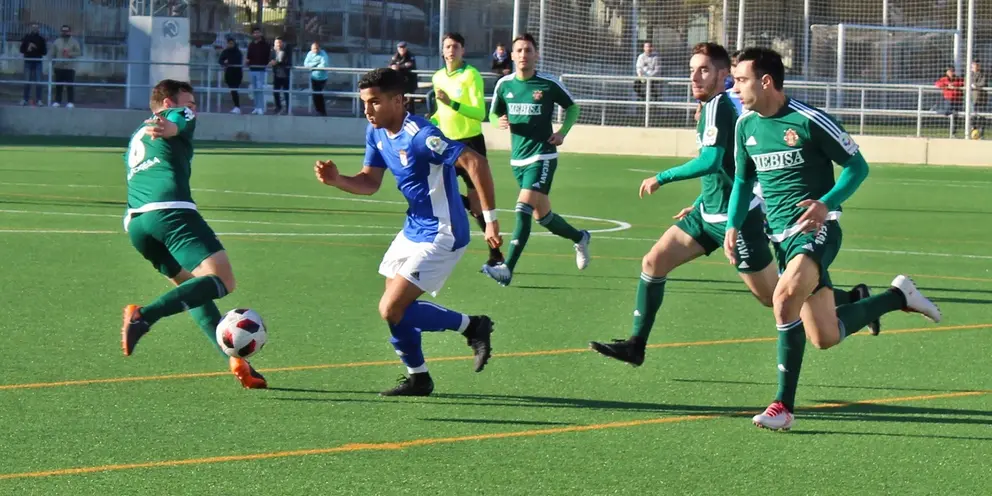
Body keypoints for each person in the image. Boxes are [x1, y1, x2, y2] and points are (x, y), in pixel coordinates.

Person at [589, 42, 873, 366]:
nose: (695, 77)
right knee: (654, 262)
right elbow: (729, 168)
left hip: (735, 218)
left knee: (774, 297)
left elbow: (712, 161)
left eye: (704, 70)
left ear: (724, 74)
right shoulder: (718, 108)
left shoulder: (721, 107)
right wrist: (699, 201)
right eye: (691, 70)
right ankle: (636, 344)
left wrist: (662, 177)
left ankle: (850, 299)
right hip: (705, 214)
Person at [727, 47, 942, 431]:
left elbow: (857, 167)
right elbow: (743, 181)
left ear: (765, 81)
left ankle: (783, 406)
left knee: (784, 298)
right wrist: (732, 224)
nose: (735, 86)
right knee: (825, 336)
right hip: (780, 238)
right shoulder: (745, 126)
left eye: (741, 79)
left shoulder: (810, 120)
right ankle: (898, 296)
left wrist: (826, 204)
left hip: (816, 231)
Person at [314, 68, 501, 397]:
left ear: (398, 101)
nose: (367, 110)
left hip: (444, 230)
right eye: (364, 103)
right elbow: (370, 182)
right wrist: (338, 180)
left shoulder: (420, 134)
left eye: (374, 102)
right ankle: (419, 377)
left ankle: (472, 326)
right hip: (413, 228)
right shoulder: (376, 134)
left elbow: (475, 163)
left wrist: (490, 220)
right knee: (396, 313)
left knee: (391, 308)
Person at [120, 79, 267, 390]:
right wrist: (176, 124)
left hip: (136, 225)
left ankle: (236, 360)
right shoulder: (176, 117)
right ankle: (143, 316)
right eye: (189, 102)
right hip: (171, 212)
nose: (193, 109)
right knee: (223, 281)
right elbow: (180, 119)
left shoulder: (136, 137)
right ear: (170, 103)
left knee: (192, 289)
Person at [482, 33, 589, 287]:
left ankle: (507, 268)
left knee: (523, 209)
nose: (523, 55)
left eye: (528, 50)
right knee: (544, 217)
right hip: (518, 159)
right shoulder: (504, 85)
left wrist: (562, 132)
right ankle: (580, 237)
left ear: (536, 55)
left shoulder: (548, 84)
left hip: (543, 155)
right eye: (518, 50)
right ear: (511, 55)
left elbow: (573, 107)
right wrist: (499, 122)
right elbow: (494, 113)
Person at [430, 32, 505, 267]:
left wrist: (451, 102)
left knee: (478, 204)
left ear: (463, 50)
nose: (451, 50)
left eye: (455, 46)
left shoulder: (471, 76)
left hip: (471, 145)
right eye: (447, 46)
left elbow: (479, 113)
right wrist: (428, 122)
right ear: (442, 51)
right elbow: (439, 113)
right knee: (435, 190)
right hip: (447, 145)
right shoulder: (438, 77)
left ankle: (495, 254)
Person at [20, 23, 46, 106]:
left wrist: (36, 47)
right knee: (27, 81)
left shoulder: (41, 39)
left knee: (39, 82)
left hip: (38, 62)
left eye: (36, 27)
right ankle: (25, 99)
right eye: (33, 27)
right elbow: (21, 50)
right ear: (31, 28)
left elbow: (44, 52)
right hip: (28, 61)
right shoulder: (26, 37)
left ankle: (39, 100)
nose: (35, 28)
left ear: (39, 29)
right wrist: (28, 48)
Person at [218, 37, 244, 114]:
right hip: (228, 73)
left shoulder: (238, 52)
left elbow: (236, 61)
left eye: (231, 43)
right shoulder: (226, 51)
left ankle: (237, 106)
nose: (230, 45)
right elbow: (220, 60)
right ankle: (236, 106)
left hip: (236, 74)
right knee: (232, 90)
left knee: (234, 89)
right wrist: (225, 62)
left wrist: (228, 61)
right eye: (229, 43)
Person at [304, 42, 330, 116]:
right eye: (313, 49)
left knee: (319, 94)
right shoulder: (309, 54)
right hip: (313, 77)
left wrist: (313, 67)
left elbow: (323, 65)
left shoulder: (323, 54)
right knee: (315, 94)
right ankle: (318, 110)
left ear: (319, 48)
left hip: (322, 77)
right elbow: (306, 64)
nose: (315, 50)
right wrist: (315, 64)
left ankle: (323, 111)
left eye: (316, 49)